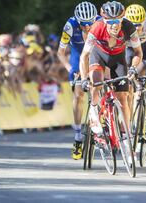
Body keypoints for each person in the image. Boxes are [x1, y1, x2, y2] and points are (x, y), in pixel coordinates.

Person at [79, 1, 142, 137]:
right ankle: (94, 111)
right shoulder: (96, 27)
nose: (114, 25)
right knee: (96, 83)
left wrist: (133, 68)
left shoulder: (129, 27)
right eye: (110, 21)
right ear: (104, 20)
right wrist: (84, 79)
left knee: (122, 97)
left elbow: (138, 52)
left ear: (123, 18)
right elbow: (84, 56)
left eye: (118, 20)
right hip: (98, 56)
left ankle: (126, 135)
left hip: (118, 60)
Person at [57, 1, 99, 160]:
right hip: (76, 58)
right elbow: (60, 53)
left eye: (90, 23)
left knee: (102, 85)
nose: (87, 27)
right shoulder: (70, 25)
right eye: (84, 24)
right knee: (78, 94)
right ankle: (77, 136)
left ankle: (105, 122)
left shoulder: (100, 22)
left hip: (96, 56)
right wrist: (70, 69)